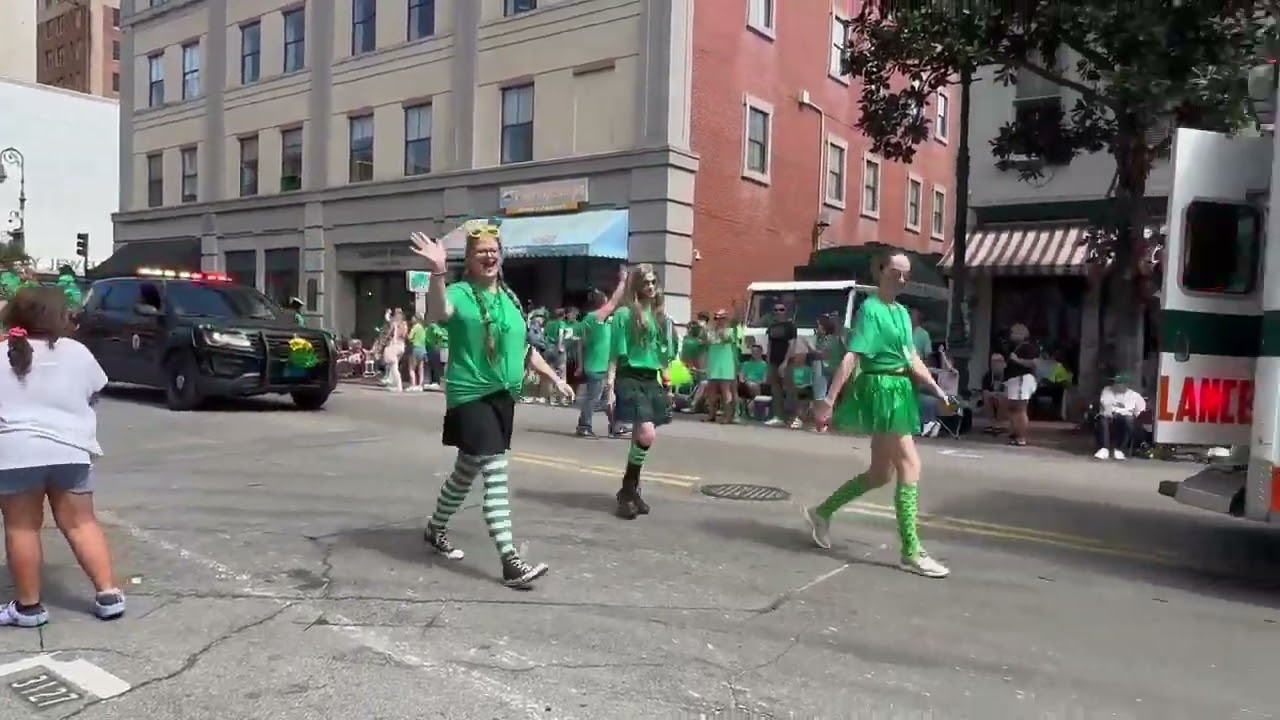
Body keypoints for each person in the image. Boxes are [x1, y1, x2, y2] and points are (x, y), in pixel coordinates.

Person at [411, 221, 573, 588]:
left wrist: (554, 378)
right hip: (471, 396)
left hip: (503, 397)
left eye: (493, 250)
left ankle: (434, 528)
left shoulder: (510, 299)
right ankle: (510, 561)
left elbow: (524, 350)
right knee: (496, 471)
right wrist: (437, 272)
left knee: (465, 472)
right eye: (480, 251)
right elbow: (437, 313)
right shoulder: (459, 293)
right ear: (469, 260)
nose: (489, 256)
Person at [806, 252, 953, 579]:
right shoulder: (870, 310)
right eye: (895, 273)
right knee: (910, 464)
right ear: (880, 271)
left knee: (879, 474)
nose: (901, 279)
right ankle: (910, 551)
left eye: (906, 275)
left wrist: (936, 388)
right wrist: (829, 399)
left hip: (901, 389)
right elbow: (853, 356)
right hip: (881, 390)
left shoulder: (901, 313)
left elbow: (911, 357)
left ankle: (822, 512)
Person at [0, 286, 125, 626]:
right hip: (71, 450)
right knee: (82, 522)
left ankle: (29, 608)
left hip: (15, 452)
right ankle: (108, 595)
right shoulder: (76, 352)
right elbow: (94, 392)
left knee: (22, 527)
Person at [607, 265, 676, 520]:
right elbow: (614, 353)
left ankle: (630, 491)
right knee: (647, 433)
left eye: (653, 282)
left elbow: (662, 355)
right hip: (630, 376)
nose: (650, 287)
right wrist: (610, 388)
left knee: (641, 436)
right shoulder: (624, 314)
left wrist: (667, 383)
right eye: (646, 282)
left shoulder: (659, 317)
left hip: (650, 378)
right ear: (636, 285)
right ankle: (628, 489)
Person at [575, 277, 629, 438]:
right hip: (597, 365)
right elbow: (614, 302)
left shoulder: (599, 320)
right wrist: (623, 282)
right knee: (593, 398)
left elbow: (581, 344)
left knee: (608, 399)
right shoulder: (594, 317)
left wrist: (580, 365)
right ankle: (584, 425)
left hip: (601, 365)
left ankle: (616, 426)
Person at [1095, 373, 1145, 460]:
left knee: (1129, 420)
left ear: (1127, 384)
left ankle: (1120, 449)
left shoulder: (1134, 396)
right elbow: (1106, 404)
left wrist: (1128, 412)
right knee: (1103, 418)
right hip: (1110, 416)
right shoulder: (1107, 390)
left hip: (1126, 418)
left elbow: (1140, 411)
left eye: (1121, 383)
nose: (1117, 385)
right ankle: (1104, 448)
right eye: (1116, 383)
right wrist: (1115, 409)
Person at [1003, 323, 1038, 446]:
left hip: (1022, 379)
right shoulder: (1015, 347)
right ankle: (1015, 433)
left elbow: (1032, 363)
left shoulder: (1027, 347)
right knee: (1012, 408)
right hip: (1013, 380)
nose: (1011, 335)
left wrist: (1016, 360)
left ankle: (1021, 437)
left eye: (1014, 333)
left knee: (1020, 408)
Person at [763, 303, 797, 426]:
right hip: (773, 361)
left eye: (781, 310)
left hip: (786, 362)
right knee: (775, 390)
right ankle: (778, 416)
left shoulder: (790, 326)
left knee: (789, 390)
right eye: (776, 310)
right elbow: (769, 345)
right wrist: (768, 361)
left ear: (785, 311)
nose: (778, 312)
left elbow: (792, 345)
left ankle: (793, 418)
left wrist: (785, 362)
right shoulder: (772, 327)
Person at [703, 309, 738, 423]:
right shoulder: (711, 332)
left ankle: (728, 416)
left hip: (726, 365)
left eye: (722, 318)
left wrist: (721, 330)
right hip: (713, 364)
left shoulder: (731, 331)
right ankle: (711, 414)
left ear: (726, 319)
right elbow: (705, 342)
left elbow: (726, 339)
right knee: (711, 390)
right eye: (717, 319)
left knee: (725, 390)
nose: (719, 321)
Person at [980, 353, 1007, 435]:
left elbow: (1008, 392)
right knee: (986, 397)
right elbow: (985, 391)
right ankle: (991, 423)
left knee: (1003, 398)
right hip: (993, 398)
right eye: (993, 361)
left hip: (1009, 399)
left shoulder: (1009, 375)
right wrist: (994, 394)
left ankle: (1000, 424)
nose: (995, 364)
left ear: (1003, 363)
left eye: (998, 361)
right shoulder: (987, 376)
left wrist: (997, 394)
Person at [383, 309, 408, 392]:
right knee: (394, 365)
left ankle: (398, 386)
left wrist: (387, 313)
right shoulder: (404, 324)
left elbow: (389, 332)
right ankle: (394, 384)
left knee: (394, 367)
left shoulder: (394, 323)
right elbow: (405, 335)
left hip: (394, 345)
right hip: (401, 346)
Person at [408, 314, 428, 391]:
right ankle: (420, 385)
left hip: (415, 348)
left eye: (413, 318)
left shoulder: (415, 327)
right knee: (421, 368)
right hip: (423, 349)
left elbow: (410, 337)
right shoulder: (422, 328)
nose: (411, 319)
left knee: (412, 368)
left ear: (416, 319)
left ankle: (413, 384)